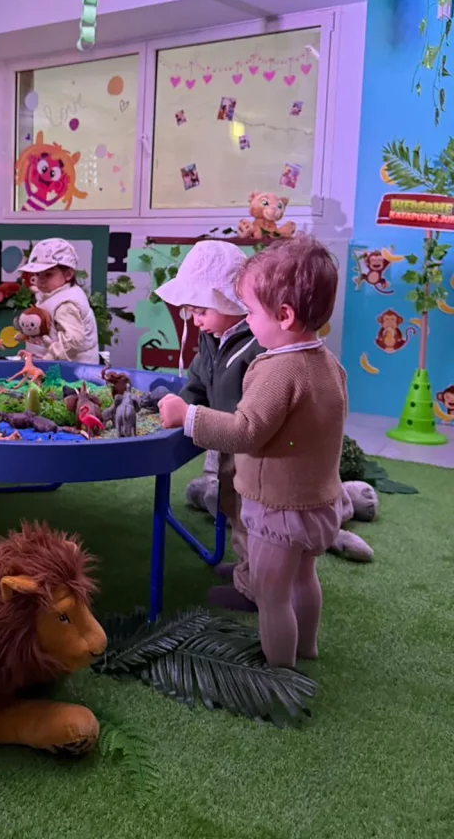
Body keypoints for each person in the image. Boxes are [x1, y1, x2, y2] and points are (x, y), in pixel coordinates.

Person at [159, 235, 346, 669]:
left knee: (272, 595)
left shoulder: (276, 369)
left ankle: (279, 670)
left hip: (279, 509)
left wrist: (189, 416)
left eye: (252, 312)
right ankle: (307, 647)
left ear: (284, 315)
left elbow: (245, 431)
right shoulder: (329, 364)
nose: (248, 320)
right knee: (304, 578)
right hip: (319, 502)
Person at [155, 239, 263, 613]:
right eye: (191, 310)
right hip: (227, 443)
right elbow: (199, 382)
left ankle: (256, 589)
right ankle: (247, 570)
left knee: (254, 517)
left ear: (232, 303)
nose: (195, 319)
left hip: (254, 448)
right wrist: (182, 405)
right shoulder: (212, 337)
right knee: (234, 507)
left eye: (201, 310)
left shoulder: (257, 344)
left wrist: (191, 416)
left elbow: (254, 418)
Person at [20, 238, 100, 364]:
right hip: (56, 367)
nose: (41, 280)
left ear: (68, 275)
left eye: (48, 274)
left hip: (74, 371)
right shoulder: (53, 295)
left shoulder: (66, 305)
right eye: (38, 274)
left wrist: (49, 357)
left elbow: (74, 340)